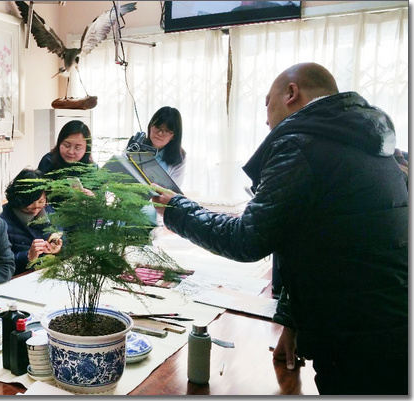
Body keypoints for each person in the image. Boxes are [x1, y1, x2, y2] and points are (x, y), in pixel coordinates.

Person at [152, 62, 407, 395]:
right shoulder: (366, 139)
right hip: (392, 322)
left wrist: (175, 208)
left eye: (267, 103)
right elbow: (308, 236)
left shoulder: (303, 143)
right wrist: (291, 322)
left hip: (355, 338)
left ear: (291, 93)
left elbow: (247, 238)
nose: (266, 119)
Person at [0, 169, 63, 276]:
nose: (36, 207)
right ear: (18, 199)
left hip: (48, 271)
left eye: (41, 201)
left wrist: (57, 246)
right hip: (20, 276)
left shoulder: (48, 210)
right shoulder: (2, 220)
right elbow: (1, 263)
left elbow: (61, 232)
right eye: (30, 202)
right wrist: (28, 256)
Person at [137, 106, 187, 188]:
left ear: (174, 136)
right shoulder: (136, 144)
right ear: (150, 126)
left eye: (167, 131)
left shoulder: (180, 156)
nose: (160, 133)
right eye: (157, 127)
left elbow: (173, 190)